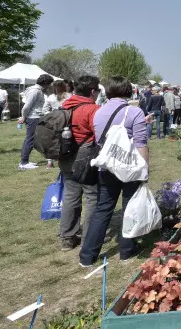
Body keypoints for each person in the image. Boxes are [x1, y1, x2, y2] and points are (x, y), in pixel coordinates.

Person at [79, 76, 149, 267]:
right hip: (129, 167)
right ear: (128, 91)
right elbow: (141, 144)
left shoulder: (99, 112)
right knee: (129, 207)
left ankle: (87, 256)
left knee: (102, 209)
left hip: (106, 166)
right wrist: (144, 168)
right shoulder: (134, 112)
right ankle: (127, 250)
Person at [59, 75, 102, 251]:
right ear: (92, 91)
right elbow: (99, 135)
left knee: (70, 196)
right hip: (85, 157)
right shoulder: (93, 109)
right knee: (92, 196)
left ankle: (67, 238)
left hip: (65, 155)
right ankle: (88, 238)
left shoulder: (65, 105)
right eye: (98, 90)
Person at [19, 74, 54, 169]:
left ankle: (25, 161)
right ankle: (23, 163)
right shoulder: (35, 91)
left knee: (34, 139)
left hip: (37, 117)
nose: (50, 86)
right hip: (33, 117)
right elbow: (26, 106)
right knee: (30, 139)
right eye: (50, 84)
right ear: (46, 83)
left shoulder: (38, 90)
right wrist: (23, 117)